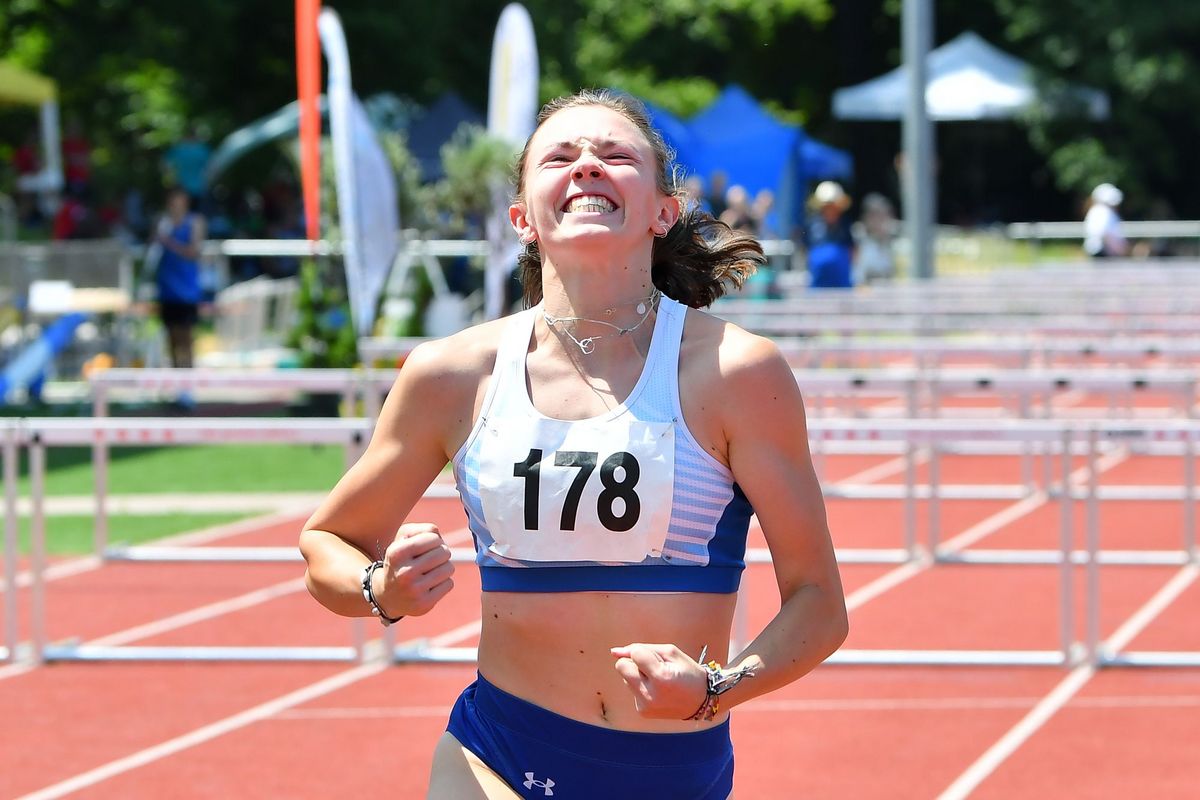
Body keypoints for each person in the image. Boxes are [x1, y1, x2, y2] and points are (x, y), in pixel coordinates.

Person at [299, 89, 847, 799]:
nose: (587, 164)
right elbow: (327, 542)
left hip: (670, 775)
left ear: (662, 211)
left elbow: (819, 603)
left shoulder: (738, 373)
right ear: (523, 218)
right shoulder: (451, 374)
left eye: (615, 155)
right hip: (495, 755)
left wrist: (715, 688)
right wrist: (379, 587)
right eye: (560, 156)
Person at [152, 187, 206, 393]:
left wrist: (168, 242)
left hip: (187, 291)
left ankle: (189, 388)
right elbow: (153, 247)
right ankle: (177, 387)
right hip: (166, 290)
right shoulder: (162, 222)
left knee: (187, 338)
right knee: (172, 339)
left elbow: (193, 251)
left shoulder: (195, 221)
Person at [803, 180, 855, 289]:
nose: (830, 209)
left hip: (842, 284)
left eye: (833, 206)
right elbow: (805, 250)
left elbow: (852, 250)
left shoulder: (846, 224)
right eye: (827, 206)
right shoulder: (812, 225)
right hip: (818, 284)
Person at [1083, 182, 1129, 259]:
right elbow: (1104, 233)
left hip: (1103, 251)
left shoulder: (1101, 210)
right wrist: (1117, 249)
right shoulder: (1102, 211)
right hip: (1104, 252)